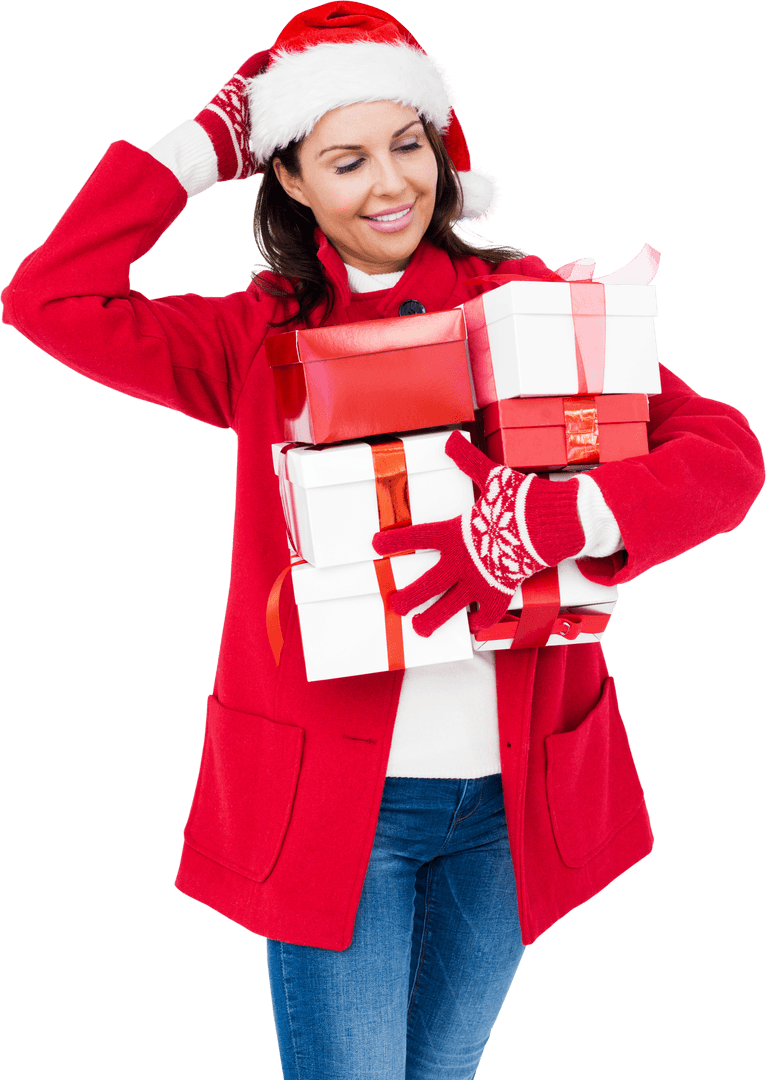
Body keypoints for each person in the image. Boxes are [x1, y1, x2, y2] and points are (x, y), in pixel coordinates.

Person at [2, 3, 763, 1077]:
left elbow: (726, 457)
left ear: (445, 152)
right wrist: (198, 146)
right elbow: (49, 297)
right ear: (291, 180)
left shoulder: (529, 306)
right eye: (345, 158)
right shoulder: (256, 340)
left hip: (514, 799)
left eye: (407, 145)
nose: (390, 183)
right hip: (338, 812)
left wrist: (556, 519)